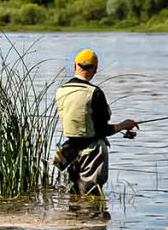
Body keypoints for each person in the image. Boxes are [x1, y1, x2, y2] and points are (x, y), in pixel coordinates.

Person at [54, 49, 137, 195]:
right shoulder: (95, 92)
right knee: (91, 196)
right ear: (95, 69)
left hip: (69, 150)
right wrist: (124, 125)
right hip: (92, 152)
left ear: (75, 66)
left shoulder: (61, 90)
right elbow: (102, 130)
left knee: (75, 194)